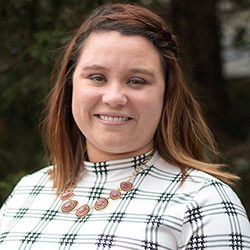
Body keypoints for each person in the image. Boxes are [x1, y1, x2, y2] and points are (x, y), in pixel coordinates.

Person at [0, 3, 249, 249]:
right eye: (97, 77)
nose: (114, 97)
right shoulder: (27, 191)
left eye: (136, 81)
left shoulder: (204, 202)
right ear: (70, 86)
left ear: (167, 94)